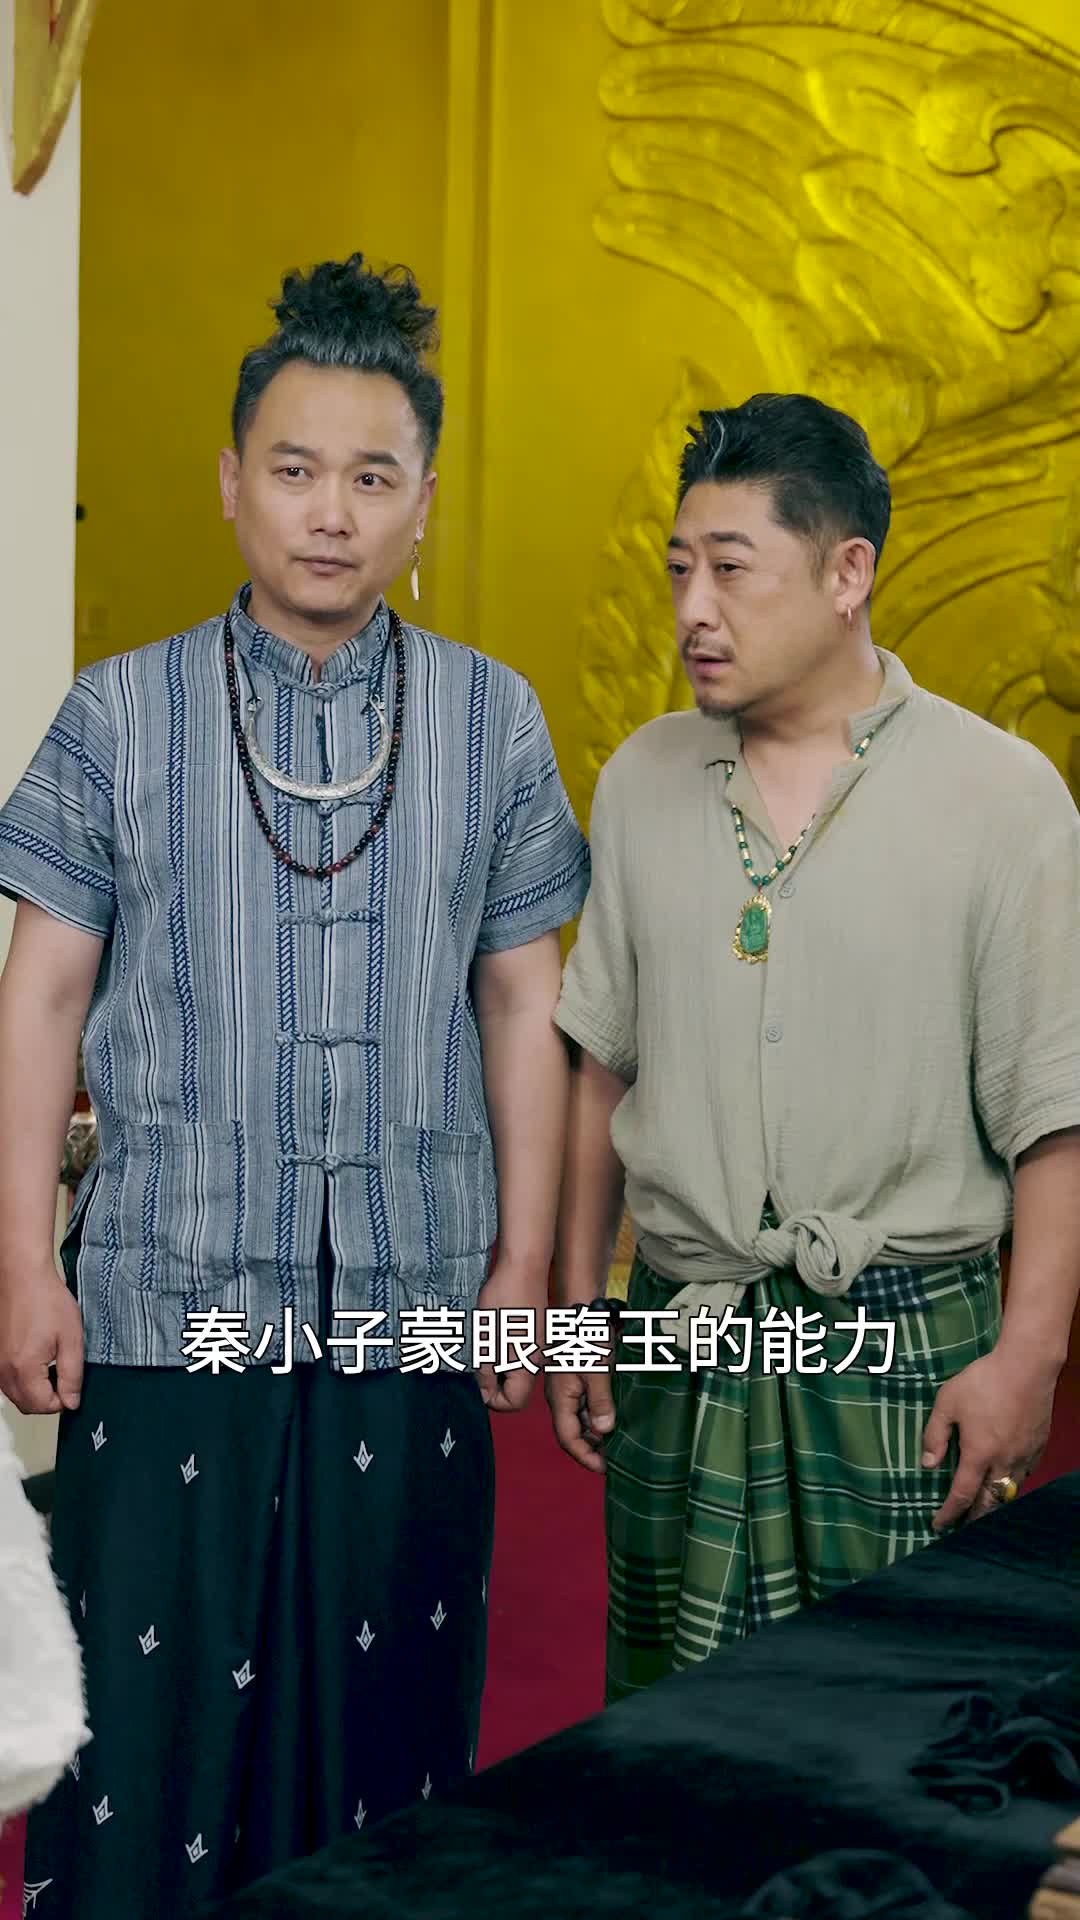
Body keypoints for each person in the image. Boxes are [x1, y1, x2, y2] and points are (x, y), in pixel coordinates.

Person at [0, 252, 589, 1916]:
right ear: (231, 482)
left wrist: (525, 1264)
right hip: (169, 1292)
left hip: (410, 1300)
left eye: (373, 477)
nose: (332, 513)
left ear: (424, 503)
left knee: (386, 1727)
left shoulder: (491, 719)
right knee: (150, 1731)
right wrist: (27, 1259)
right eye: (296, 469)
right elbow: (41, 993)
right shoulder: (120, 715)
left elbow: (524, 998)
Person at [547, 392, 1080, 1703]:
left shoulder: (1002, 798)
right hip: (682, 1331)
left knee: (892, 1740)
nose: (693, 610)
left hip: (902, 1348)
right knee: (668, 1740)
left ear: (849, 574)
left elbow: (1054, 1116)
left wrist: (1028, 1361)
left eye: (732, 570)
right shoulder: (642, 778)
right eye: (679, 569)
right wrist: (576, 1303)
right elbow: (600, 1062)